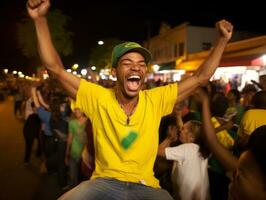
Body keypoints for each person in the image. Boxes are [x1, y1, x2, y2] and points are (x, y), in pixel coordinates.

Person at [27, 0, 233, 199]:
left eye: (141, 64)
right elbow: (55, 69)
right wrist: (40, 20)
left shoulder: (156, 98)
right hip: (103, 183)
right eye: (127, 62)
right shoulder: (97, 97)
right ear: (114, 71)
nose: (136, 67)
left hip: (146, 186)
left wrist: (222, 40)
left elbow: (200, 78)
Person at [196, 88, 266, 200]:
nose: (230, 174)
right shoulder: (251, 169)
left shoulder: (251, 165)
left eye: (239, 176)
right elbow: (212, 141)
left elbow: (212, 141)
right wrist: (204, 102)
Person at [157, 120, 210, 200]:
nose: (179, 130)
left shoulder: (188, 148)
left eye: (183, 128)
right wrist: (178, 115)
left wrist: (169, 138)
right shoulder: (200, 151)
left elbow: (156, 151)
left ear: (191, 137)